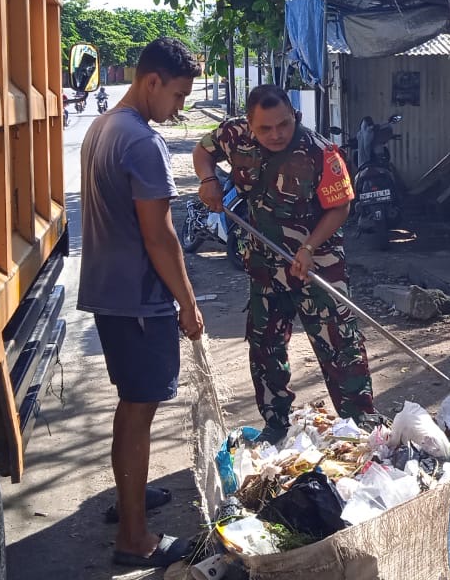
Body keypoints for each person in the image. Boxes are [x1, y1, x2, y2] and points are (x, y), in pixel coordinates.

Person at [193, 84, 383, 443]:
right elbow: (203, 151)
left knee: (340, 343)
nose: (276, 134)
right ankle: (276, 424)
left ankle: (360, 427)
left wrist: (309, 247)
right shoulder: (233, 135)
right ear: (250, 124)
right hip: (264, 263)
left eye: (284, 124)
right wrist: (208, 180)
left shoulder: (320, 152)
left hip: (317, 261)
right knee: (265, 346)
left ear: (295, 116)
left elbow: (340, 206)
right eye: (265, 128)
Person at [77, 37, 205, 568]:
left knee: (132, 407)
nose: (178, 107)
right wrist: (188, 303)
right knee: (138, 410)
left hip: (110, 293)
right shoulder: (142, 142)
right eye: (177, 95)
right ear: (152, 81)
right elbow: (160, 237)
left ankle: (131, 497)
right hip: (138, 300)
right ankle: (134, 537)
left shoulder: (103, 127)